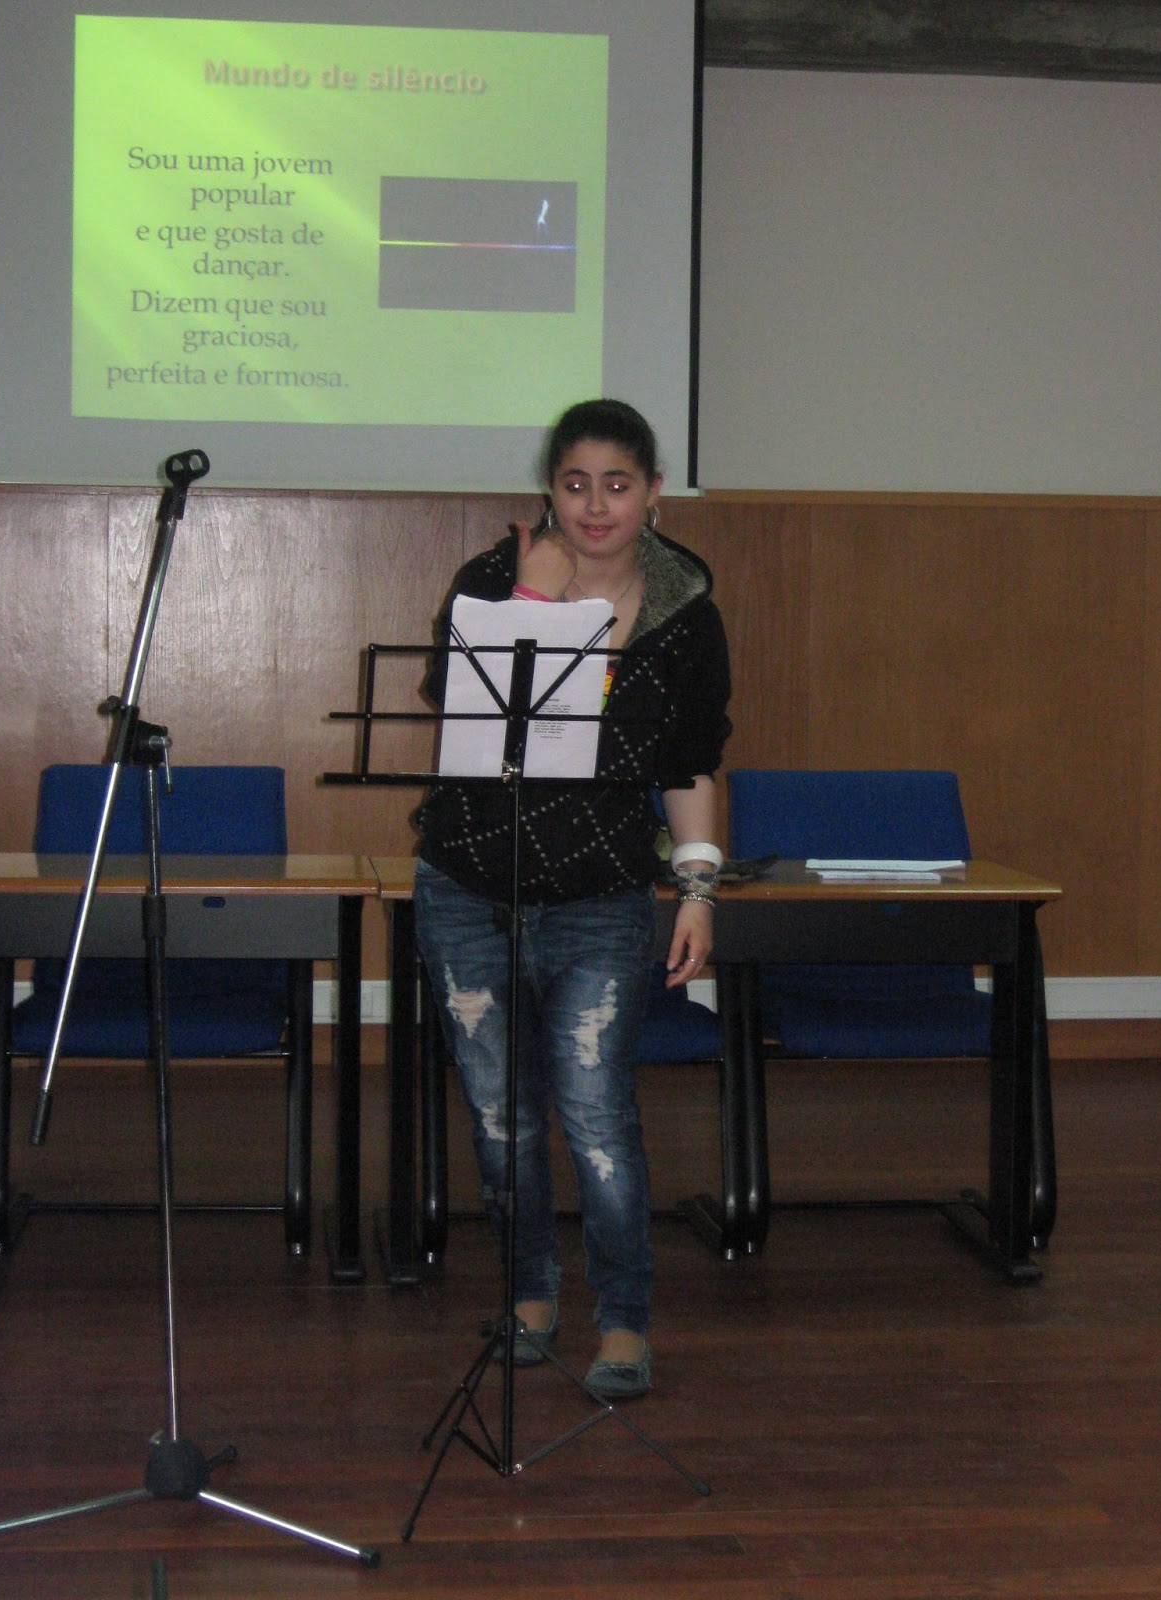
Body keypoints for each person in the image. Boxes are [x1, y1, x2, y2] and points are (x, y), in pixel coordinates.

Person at [413, 398, 731, 1401]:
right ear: (549, 489)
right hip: (469, 887)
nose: (596, 506)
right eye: (576, 483)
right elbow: (461, 715)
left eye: (618, 485)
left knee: (595, 1116)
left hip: (599, 897)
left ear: (654, 492)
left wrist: (697, 889)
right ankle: (529, 1293)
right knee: (501, 1114)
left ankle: (624, 1317)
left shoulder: (685, 614)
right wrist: (534, 606)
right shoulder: (491, 579)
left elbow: (690, 763)